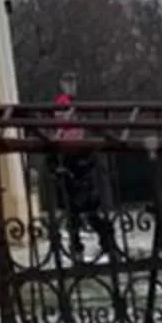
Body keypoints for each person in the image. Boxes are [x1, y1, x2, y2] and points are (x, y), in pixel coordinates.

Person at [49, 76, 116, 259]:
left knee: (89, 215)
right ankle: (81, 248)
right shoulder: (59, 135)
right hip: (71, 172)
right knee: (75, 218)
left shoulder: (74, 133)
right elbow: (53, 157)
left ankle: (105, 245)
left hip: (81, 172)